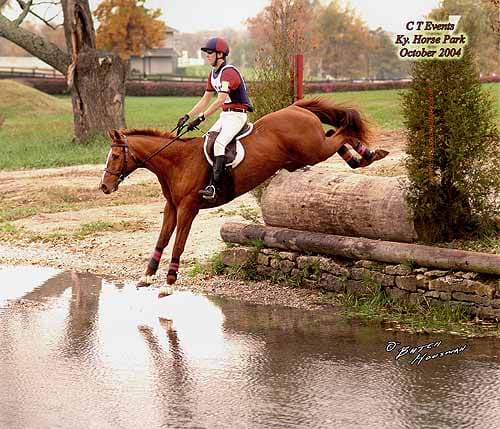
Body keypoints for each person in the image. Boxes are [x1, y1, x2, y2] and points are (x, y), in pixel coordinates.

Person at [176, 37, 253, 200]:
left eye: (209, 53)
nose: (207, 56)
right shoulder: (213, 74)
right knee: (206, 142)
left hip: (237, 116)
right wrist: (187, 116)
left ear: (220, 55)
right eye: (206, 53)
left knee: (219, 145)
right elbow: (205, 99)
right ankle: (204, 181)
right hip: (225, 115)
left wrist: (201, 118)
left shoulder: (229, 72)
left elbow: (220, 99)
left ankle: (216, 187)